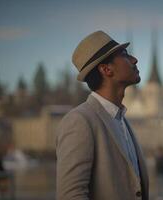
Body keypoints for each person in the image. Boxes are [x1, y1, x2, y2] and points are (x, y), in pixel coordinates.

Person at [56, 31, 149, 200]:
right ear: (106, 69)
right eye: (125, 55)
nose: (134, 60)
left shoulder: (122, 121)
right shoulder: (80, 121)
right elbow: (71, 195)